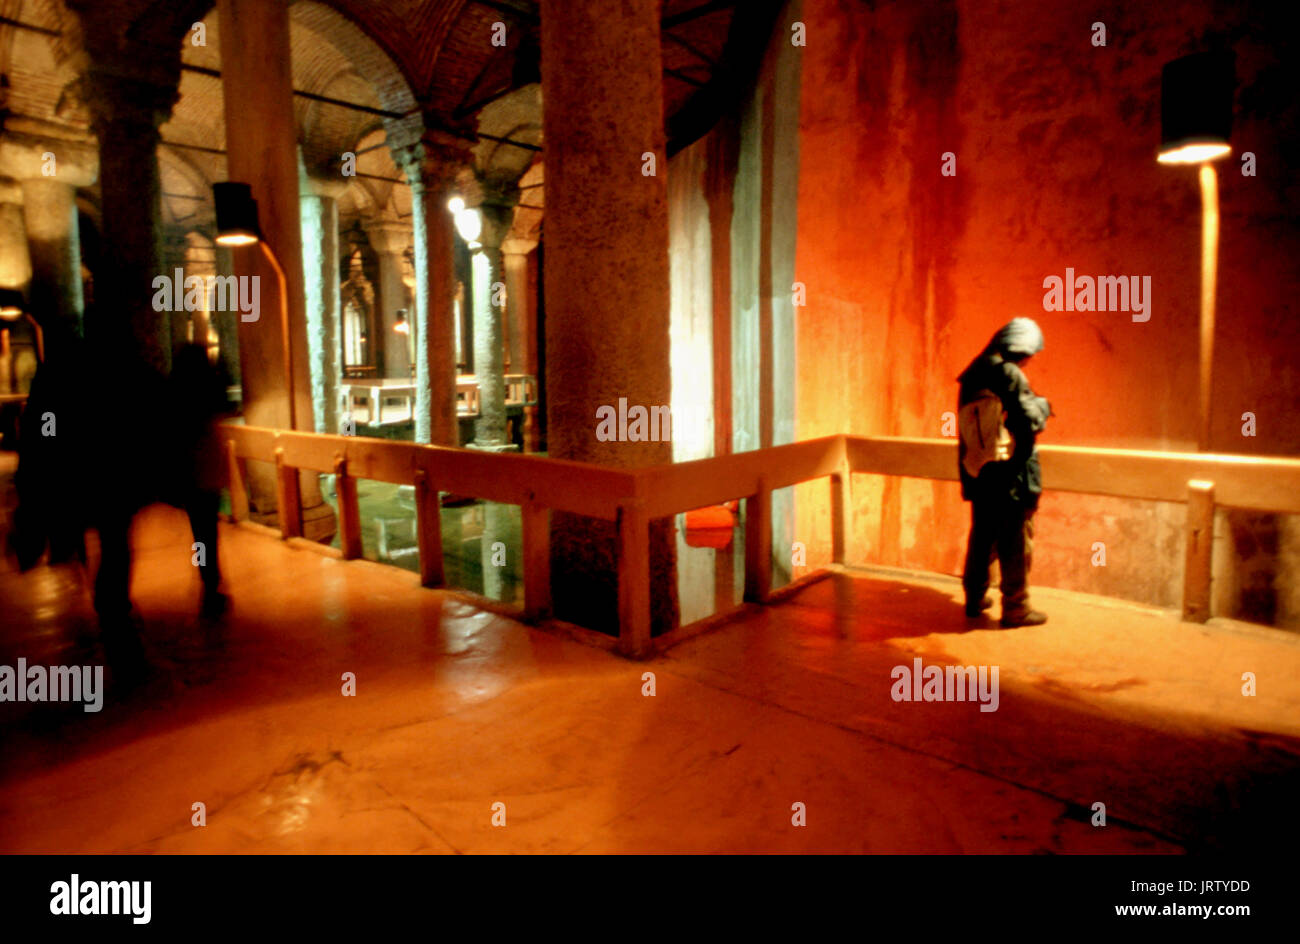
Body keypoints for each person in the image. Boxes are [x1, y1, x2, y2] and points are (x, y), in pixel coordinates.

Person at [956, 317, 1052, 627]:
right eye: (1030, 352)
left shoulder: (972, 374)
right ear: (1020, 347)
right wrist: (1043, 407)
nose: (1030, 360)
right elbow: (1027, 420)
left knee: (982, 536)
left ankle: (974, 596)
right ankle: (1016, 607)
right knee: (1014, 540)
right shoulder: (1008, 373)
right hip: (1010, 473)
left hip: (979, 471)